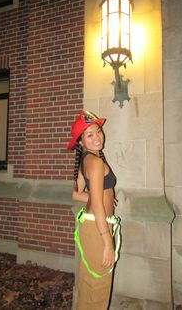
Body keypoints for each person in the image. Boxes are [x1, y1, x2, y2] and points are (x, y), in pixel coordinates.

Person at [67, 110, 121, 310]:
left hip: (91, 226)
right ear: (81, 141)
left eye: (98, 131)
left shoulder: (88, 160)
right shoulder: (96, 162)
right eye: (89, 135)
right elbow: (98, 206)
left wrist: (102, 195)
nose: (97, 137)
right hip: (99, 229)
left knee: (89, 285)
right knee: (98, 289)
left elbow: (75, 193)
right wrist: (108, 243)